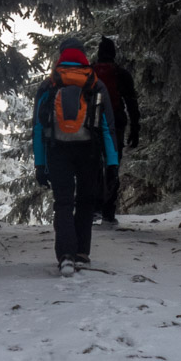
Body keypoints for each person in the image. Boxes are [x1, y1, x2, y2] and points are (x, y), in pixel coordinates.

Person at [31, 37, 119, 276]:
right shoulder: (95, 84)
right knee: (85, 202)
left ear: (61, 55)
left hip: (57, 150)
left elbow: (38, 128)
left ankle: (66, 256)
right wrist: (112, 163)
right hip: (89, 150)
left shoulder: (49, 85)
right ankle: (81, 253)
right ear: (83, 55)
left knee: (63, 202)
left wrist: (40, 163)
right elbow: (107, 128)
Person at [92, 36, 140, 226]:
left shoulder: (89, 72)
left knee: (93, 165)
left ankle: (93, 208)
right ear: (113, 53)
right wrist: (135, 128)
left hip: (91, 126)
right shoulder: (121, 74)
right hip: (116, 126)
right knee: (112, 165)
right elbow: (131, 103)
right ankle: (108, 213)